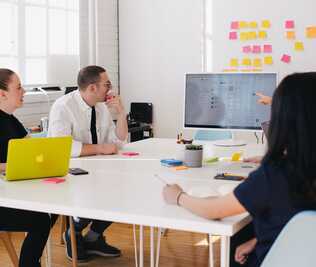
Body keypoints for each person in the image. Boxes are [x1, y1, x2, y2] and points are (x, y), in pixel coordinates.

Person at [163, 72, 316, 266]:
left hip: (276, 259)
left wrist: (177, 196)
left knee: (238, 232)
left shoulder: (274, 176)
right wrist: (257, 240)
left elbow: (213, 210)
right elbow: (301, 221)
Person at [48, 65, 128, 261]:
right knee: (93, 191)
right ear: (92, 87)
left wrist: (121, 113)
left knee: (125, 191)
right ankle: (73, 233)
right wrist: (100, 149)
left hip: (98, 168)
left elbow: (118, 141)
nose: (110, 89)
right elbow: (63, 147)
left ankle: (92, 238)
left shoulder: (101, 107)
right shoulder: (63, 107)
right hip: (68, 171)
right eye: (106, 84)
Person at [0, 68, 56, 267]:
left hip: (11, 192)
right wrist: (12, 165)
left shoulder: (11, 119)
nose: (23, 91)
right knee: (40, 220)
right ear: (2, 93)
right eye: (19, 87)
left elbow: (32, 149)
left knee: (54, 207)